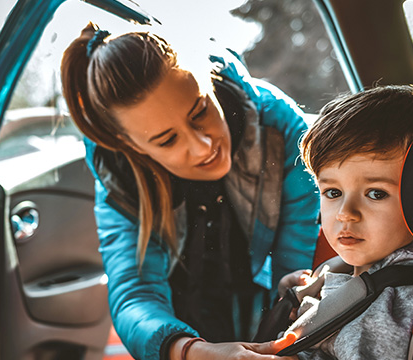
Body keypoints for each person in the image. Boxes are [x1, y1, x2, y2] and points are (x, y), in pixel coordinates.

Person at [60, 23, 320, 360]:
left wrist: (277, 339)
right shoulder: (121, 180)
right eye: (167, 140)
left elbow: (295, 263)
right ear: (130, 145)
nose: (202, 147)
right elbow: (134, 294)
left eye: (200, 110)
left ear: (208, 79)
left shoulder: (281, 129)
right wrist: (188, 351)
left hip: (262, 312)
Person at [274, 85, 413, 359]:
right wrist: (305, 293)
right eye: (333, 193)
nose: (345, 213)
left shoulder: (392, 306)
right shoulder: (359, 265)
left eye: (376, 194)